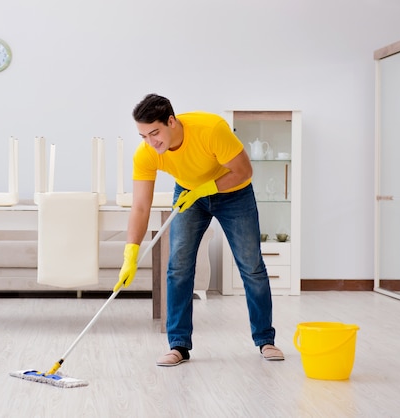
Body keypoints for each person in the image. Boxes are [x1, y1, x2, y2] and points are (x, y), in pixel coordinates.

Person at [113, 93, 284, 366]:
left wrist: (207, 189)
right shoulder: (146, 154)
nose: (150, 142)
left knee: (251, 265)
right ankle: (178, 345)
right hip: (188, 194)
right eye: (143, 136)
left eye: (154, 133)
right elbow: (140, 207)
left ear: (171, 121)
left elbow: (244, 171)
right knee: (178, 266)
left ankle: (265, 339)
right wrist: (130, 254)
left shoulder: (211, 129)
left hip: (233, 192)